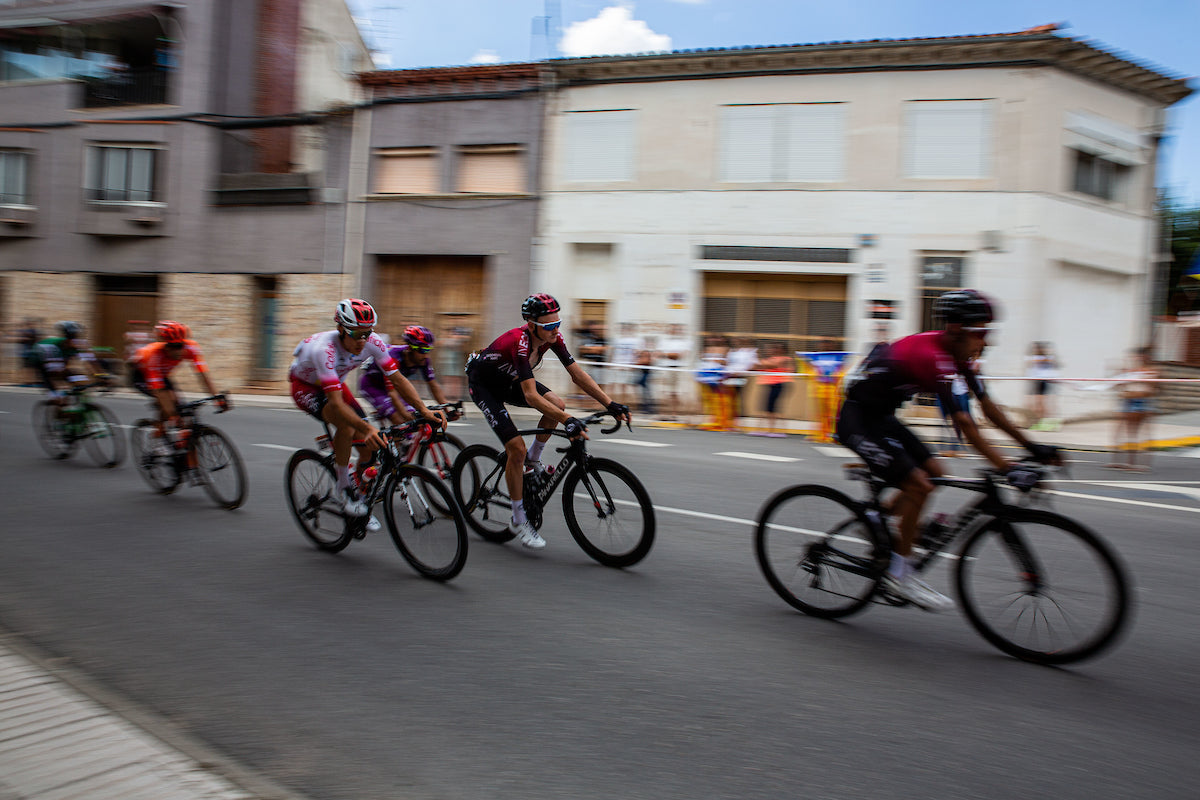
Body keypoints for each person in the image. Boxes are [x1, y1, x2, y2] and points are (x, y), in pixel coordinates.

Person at [835, 290, 1060, 612]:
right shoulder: (933, 358)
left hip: (881, 417)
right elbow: (966, 425)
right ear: (956, 329)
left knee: (937, 474)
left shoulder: (959, 356)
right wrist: (1006, 468)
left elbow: (989, 408)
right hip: (856, 420)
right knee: (919, 485)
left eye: (988, 332)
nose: (988, 341)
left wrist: (1032, 446)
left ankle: (875, 519)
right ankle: (899, 574)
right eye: (981, 332)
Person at [465, 293, 629, 549]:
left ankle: (533, 458)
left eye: (558, 324)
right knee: (515, 449)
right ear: (531, 325)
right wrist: (568, 420)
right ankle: (518, 519)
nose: (556, 331)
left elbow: (577, 375)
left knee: (558, 404)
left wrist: (610, 403)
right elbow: (530, 395)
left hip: (510, 382)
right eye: (549, 326)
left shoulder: (552, 337)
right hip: (485, 387)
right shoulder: (519, 342)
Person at [290, 299, 445, 527]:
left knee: (369, 449)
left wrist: (423, 410)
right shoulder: (325, 349)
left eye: (367, 333)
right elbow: (335, 404)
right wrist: (367, 427)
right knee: (348, 425)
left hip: (334, 384)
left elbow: (398, 379)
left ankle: (360, 500)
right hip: (306, 387)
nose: (362, 340)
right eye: (356, 333)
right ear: (341, 329)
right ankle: (344, 489)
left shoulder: (372, 342)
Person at [131, 322, 226, 435]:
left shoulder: (191, 347)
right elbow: (159, 390)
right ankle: (159, 438)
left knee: (181, 408)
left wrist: (216, 397)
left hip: (163, 375)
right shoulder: (153, 355)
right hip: (142, 376)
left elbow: (203, 375)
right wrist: (172, 415)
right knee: (170, 401)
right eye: (171, 347)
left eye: (179, 346)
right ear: (163, 345)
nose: (176, 351)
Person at [359, 324, 458, 426]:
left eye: (428, 350)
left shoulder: (424, 360)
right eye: (423, 350)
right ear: (411, 348)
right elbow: (393, 393)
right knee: (400, 420)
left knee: (418, 418)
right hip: (373, 387)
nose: (426, 355)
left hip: (394, 387)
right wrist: (406, 418)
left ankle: (407, 441)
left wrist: (447, 410)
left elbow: (433, 385)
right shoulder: (393, 358)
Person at [1108, 346, 1159, 472]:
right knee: (1119, 430)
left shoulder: (1151, 371)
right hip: (1128, 401)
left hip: (1141, 402)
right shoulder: (1132, 371)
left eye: (1139, 356)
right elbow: (1118, 385)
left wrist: (1130, 389)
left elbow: (1150, 390)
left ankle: (1138, 463)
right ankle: (1117, 461)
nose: (1136, 358)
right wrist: (1119, 378)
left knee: (1137, 432)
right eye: (1136, 356)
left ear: (1146, 357)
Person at [30, 321, 105, 402]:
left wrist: (102, 376)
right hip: (41, 363)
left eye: (77, 338)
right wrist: (64, 388)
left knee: (79, 381)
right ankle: (58, 408)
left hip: (60, 361)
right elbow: (55, 374)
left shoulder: (80, 344)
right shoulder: (51, 348)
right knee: (60, 399)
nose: (75, 342)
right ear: (66, 338)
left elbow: (92, 362)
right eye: (71, 339)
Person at [751, 342, 793, 437]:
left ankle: (776, 430)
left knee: (774, 407)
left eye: (776, 348)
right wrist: (759, 364)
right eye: (772, 348)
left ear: (783, 350)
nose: (773, 350)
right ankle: (761, 429)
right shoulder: (768, 359)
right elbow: (757, 367)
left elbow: (772, 365)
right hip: (768, 384)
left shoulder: (785, 359)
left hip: (779, 384)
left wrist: (759, 360)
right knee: (765, 406)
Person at [655, 324, 691, 418]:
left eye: (677, 329)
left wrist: (667, 355)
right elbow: (658, 354)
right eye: (673, 329)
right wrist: (671, 355)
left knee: (676, 392)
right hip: (666, 368)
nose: (674, 331)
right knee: (664, 391)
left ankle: (674, 413)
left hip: (677, 368)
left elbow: (680, 355)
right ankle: (663, 413)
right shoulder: (664, 341)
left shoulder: (685, 342)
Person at [725, 337, 760, 427]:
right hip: (731, 375)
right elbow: (728, 363)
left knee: (739, 397)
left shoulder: (751, 352)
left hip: (741, 376)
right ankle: (730, 421)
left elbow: (754, 365)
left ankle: (739, 422)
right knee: (730, 398)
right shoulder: (732, 352)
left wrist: (740, 372)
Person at [1026, 342, 1061, 431]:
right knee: (1035, 404)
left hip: (1043, 381)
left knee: (1042, 404)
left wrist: (1047, 356)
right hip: (1036, 381)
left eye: (1037, 349)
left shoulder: (1047, 358)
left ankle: (1047, 423)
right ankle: (1040, 422)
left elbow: (1052, 362)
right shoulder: (1035, 358)